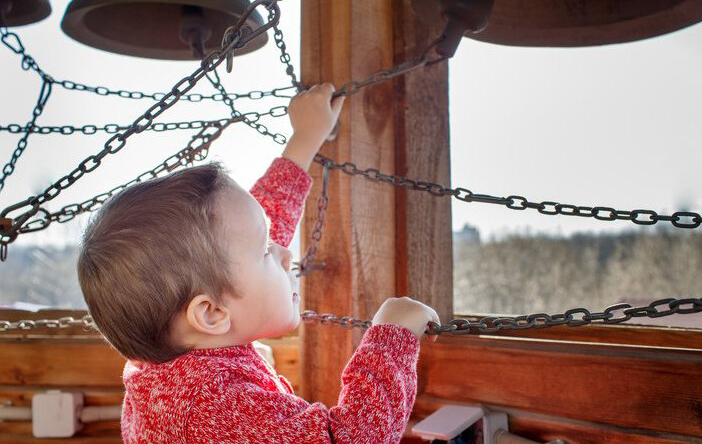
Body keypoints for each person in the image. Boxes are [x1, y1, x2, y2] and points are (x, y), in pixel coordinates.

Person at [77, 83, 441, 444]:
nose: (284, 253)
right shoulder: (214, 408)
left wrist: (305, 139)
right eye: (266, 251)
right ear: (212, 314)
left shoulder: (166, 364)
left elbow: (252, 231)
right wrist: (391, 341)